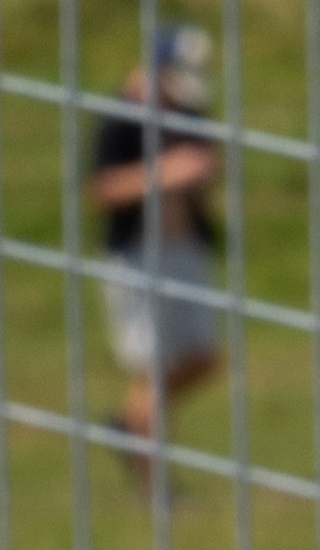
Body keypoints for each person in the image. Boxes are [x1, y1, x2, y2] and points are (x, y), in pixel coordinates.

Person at [84, 25, 231, 482]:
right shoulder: (120, 119)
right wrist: (164, 173)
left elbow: (205, 160)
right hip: (138, 256)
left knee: (203, 358)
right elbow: (101, 189)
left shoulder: (189, 110)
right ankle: (154, 484)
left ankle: (132, 425)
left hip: (185, 249)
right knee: (151, 369)